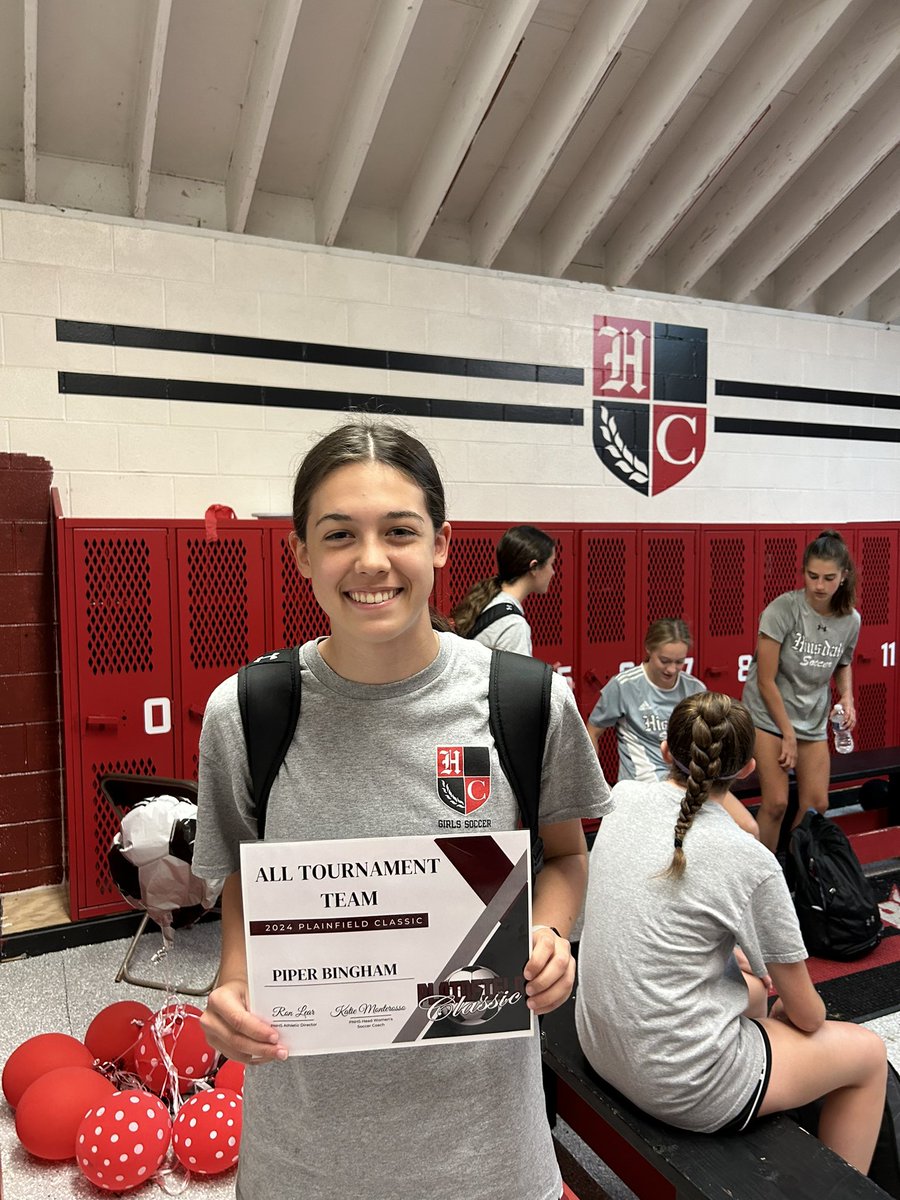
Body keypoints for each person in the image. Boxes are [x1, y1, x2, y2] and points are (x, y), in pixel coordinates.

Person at [193, 420, 612, 1200]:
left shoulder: (523, 701)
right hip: (303, 1162)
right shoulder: (246, 713)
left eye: (399, 531)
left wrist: (551, 932)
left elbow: (566, 856)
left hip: (487, 1160)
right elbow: (244, 883)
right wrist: (234, 983)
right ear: (302, 555)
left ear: (442, 545)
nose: (372, 560)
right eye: (339, 534)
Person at [575, 691, 887, 1175]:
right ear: (746, 770)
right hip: (683, 1085)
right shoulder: (750, 862)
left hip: (602, 1044)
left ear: (664, 750)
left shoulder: (623, 798)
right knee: (868, 1054)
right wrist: (791, 1005)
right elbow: (807, 1014)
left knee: (750, 990)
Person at [741, 530, 861, 852]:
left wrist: (846, 697)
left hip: (812, 717)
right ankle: (765, 877)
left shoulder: (850, 620)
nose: (819, 585)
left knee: (816, 806)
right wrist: (787, 734)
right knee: (777, 803)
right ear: (804, 572)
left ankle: (796, 875)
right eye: (812, 576)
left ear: (844, 577)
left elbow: (843, 662)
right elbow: (765, 680)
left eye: (828, 578)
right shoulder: (782, 610)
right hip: (768, 715)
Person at [586, 619, 756, 837]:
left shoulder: (694, 688)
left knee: (748, 828)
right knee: (683, 835)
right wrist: (598, 784)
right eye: (664, 660)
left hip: (692, 779)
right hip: (645, 783)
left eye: (679, 662)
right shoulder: (624, 686)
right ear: (649, 649)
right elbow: (592, 731)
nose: (671, 669)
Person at [452, 524, 556, 654]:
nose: (553, 572)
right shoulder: (513, 625)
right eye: (551, 564)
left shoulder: (489, 601)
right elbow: (517, 675)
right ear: (534, 567)